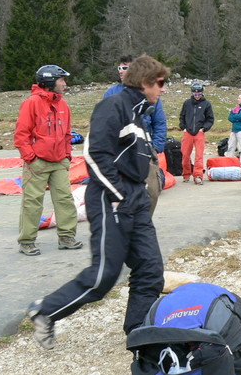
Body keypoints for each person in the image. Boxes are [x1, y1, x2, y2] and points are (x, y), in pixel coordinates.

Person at [27, 55, 168, 350]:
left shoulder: (139, 113)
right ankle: (45, 311)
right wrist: (118, 195)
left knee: (151, 270)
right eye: (161, 83)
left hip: (136, 201)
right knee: (103, 276)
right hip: (111, 200)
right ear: (145, 82)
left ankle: (139, 332)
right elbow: (94, 154)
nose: (163, 89)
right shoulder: (113, 106)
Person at [14, 65, 81, 256]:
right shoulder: (32, 103)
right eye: (62, 80)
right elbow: (21, 135)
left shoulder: (63, 105)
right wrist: (31, 158)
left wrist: (67, 156)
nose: (65, 84)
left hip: (59, 161)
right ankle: (27, 241)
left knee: (65, 199)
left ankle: (67, 237)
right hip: (37, 162)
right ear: (51, 82)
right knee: (32, 201)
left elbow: (68, 134)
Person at [103, 55, 167, 215]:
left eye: (125, 68)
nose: (121, 71)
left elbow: (160, 122)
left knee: (151, 193)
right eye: (119, 68)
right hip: (120, 153)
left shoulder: (149, 93)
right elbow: (104, 124)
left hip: (145, 151)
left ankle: (142, 226)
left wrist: (155, 147)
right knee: (120, 197)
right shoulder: (111, 93)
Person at [179, 83, 214, 184]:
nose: (197, 96)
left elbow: (210, 119)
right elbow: (182, 116)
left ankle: (198, 175)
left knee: (199, 155)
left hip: (199, 132)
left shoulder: (206, 104)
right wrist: (183, 127)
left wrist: (204, 128)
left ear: (202, 93)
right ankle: (186, 174)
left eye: (199, 94)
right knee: (185, 155)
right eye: (195, 94)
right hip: (188, 132)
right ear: (192, 93)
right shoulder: (187, 103)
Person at [226, 93, 241, 166]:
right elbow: (230, 118)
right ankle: (228, 162)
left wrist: (235, 117)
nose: (238, 99)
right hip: (234, 130)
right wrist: (237, 117)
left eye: (239, 98)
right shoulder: (235, 108)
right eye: (238, 98)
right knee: (230, 146)